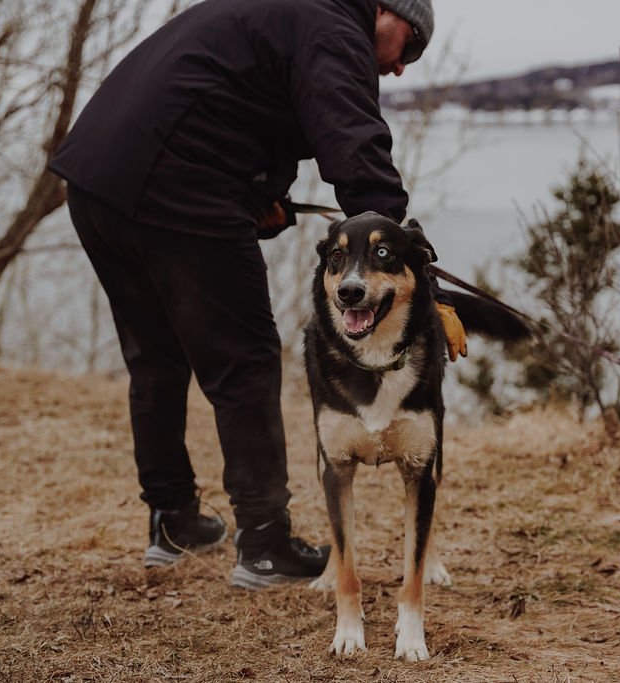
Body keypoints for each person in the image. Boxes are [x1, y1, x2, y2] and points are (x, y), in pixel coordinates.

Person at [47, 0, 451, 589]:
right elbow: (355, 149)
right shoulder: (336, 24)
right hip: (175, 184)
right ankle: (263, 544)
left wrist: (260, 193)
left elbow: (228, 102)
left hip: (98, 181)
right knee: (246, 357)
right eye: (409, 49)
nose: (400, 69)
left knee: (157, 357)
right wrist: (400, 257)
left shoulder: (288, 11)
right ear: (392, 14)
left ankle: (173, 521)